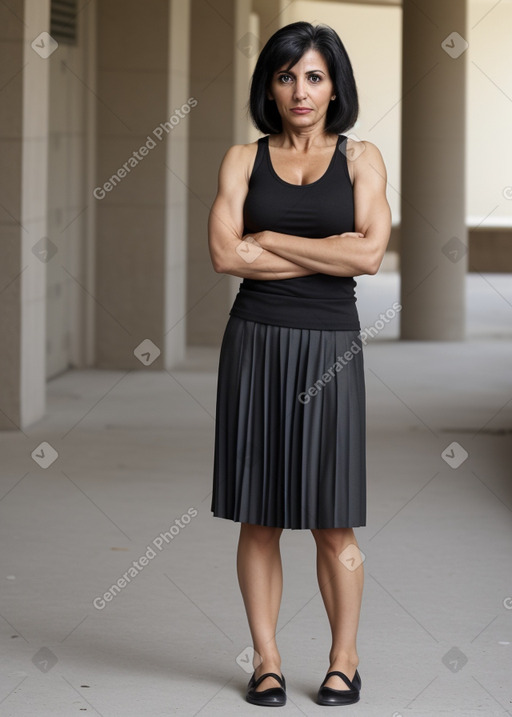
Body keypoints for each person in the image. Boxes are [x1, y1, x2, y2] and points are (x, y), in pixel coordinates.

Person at [207, 20, 391, 707]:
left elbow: (368, 255)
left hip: (329, 348)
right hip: (255, 342)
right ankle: (267, 660)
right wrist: (326, 245)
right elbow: (228, 256)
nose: (300, 90)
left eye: (314, 76)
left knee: (331, 518)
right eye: (286, 77)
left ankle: (345, 658)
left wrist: (272, 238)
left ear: (334, 83)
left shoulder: (362, 158)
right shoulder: (240, 160)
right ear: (270, 86)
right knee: (260, 516)